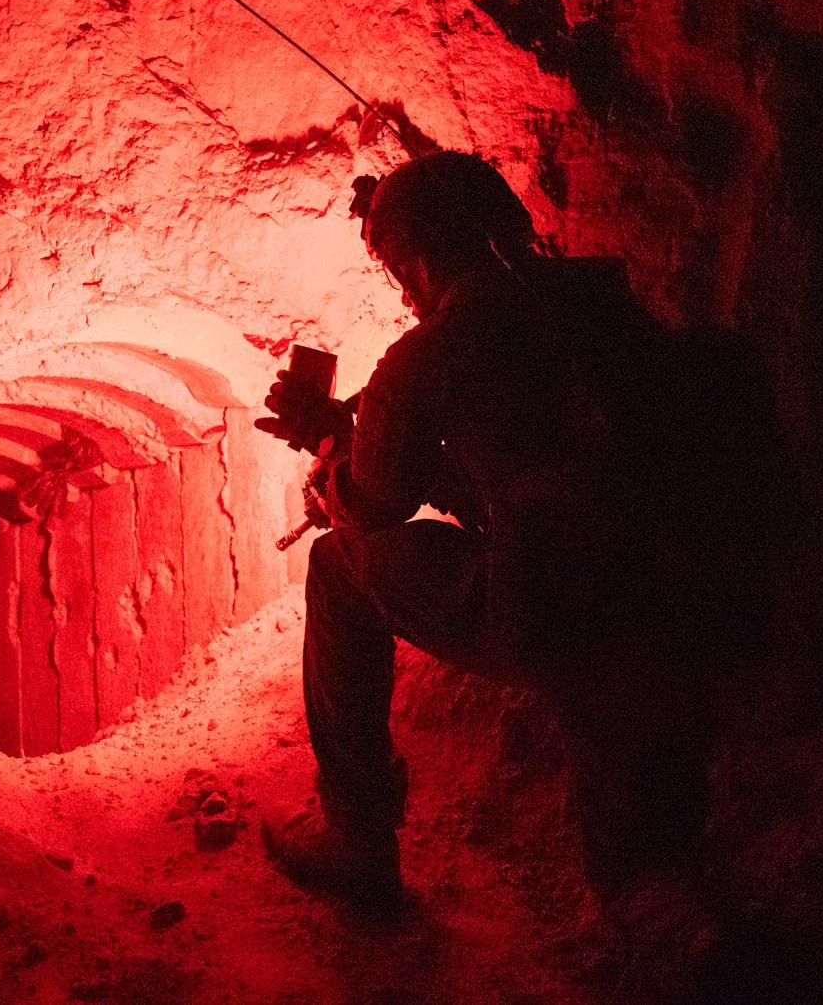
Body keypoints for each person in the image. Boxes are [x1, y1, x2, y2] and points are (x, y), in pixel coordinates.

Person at [256, 151, 786, 920]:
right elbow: (534, 452)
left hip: (556, 605)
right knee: (647, 851)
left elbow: (371, 504)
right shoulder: (595, 302)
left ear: (418, 256)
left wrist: (335, 457)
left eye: (395, 265)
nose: (401, 291)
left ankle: (358, 839)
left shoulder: (429, 355)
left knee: (339, 567)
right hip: (679, 584)